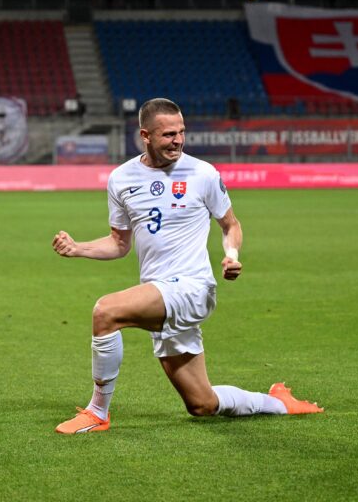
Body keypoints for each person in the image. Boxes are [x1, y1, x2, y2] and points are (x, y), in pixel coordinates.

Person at [52, 98, 323, 434]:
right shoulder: (121, 179)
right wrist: (79, 248)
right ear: (145, 136)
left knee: (105, 312)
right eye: (168, 134)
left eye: (181, 132)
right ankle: (278, 402)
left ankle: (97, 412)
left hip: (193, 288)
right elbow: (120, 243)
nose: (178, 140)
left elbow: (230, 224)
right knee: (202, 404)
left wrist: (232, 256)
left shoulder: (203, 173)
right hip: (160, 293)